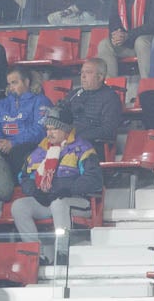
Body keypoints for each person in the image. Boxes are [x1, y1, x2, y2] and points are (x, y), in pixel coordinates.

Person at [11, 108, 101, 254]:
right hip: (47, 200)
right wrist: (34, 190)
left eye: (54, 129)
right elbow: (24, 176)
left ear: (66, 130)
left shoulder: (83, 149)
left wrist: (67, 189)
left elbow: (93, 179)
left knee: (58, 203)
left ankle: (62, 252)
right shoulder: (40, 151)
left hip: (76, 201)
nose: (49, 133)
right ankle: (35, 254)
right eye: (47, 129)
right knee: (19, 206)